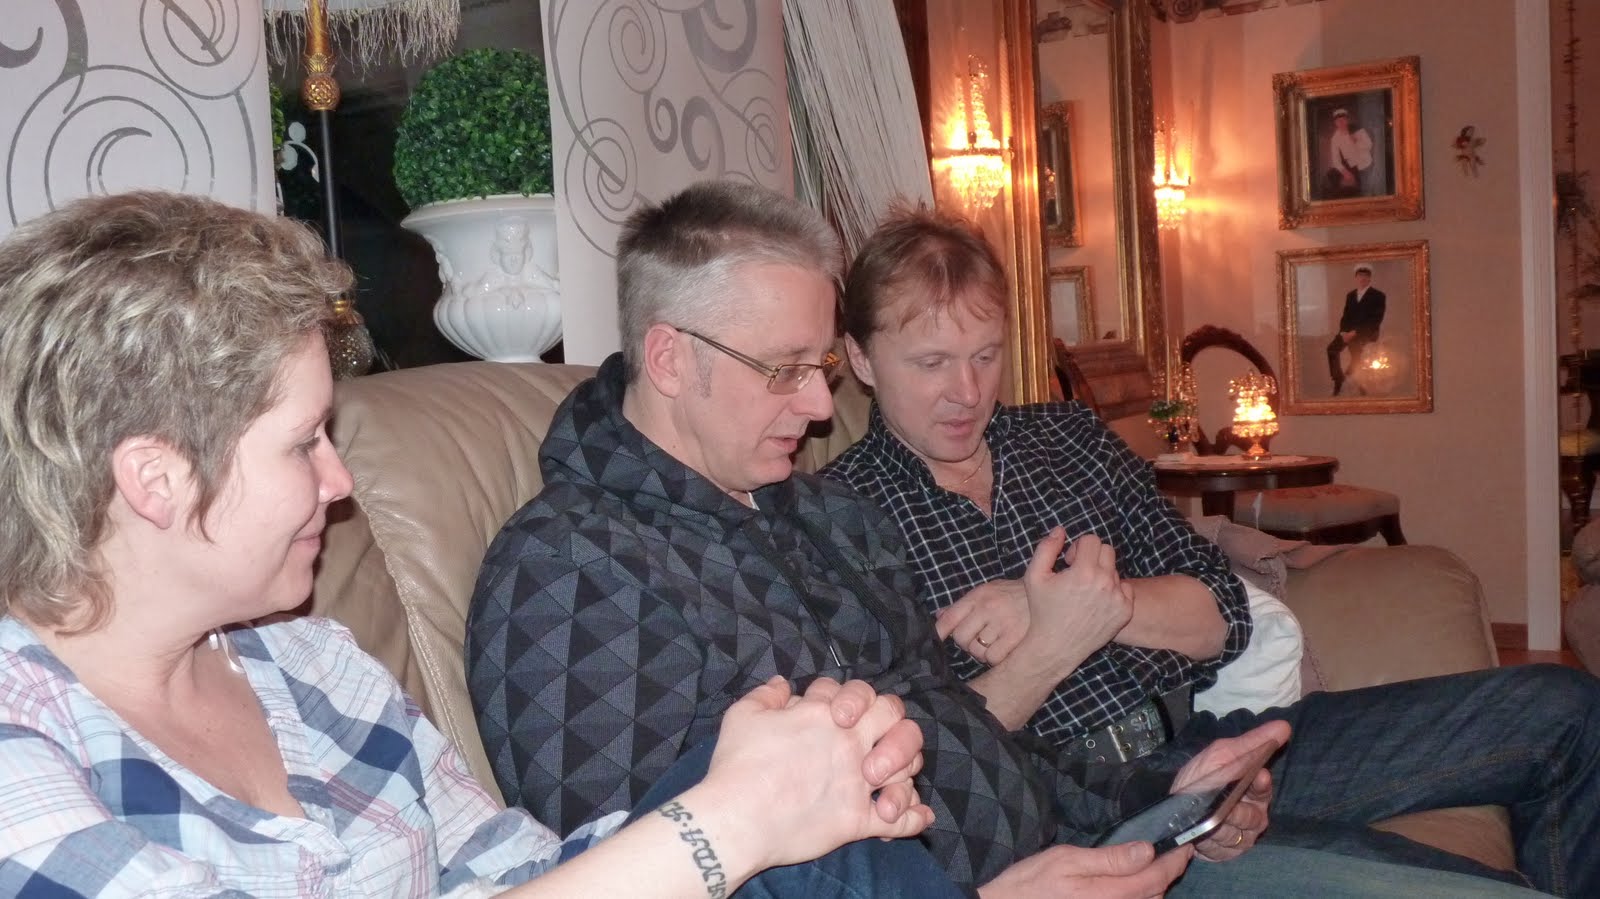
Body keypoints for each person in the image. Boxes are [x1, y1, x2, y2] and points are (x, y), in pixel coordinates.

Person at [465, 179, 1557, 899]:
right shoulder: (569, 570)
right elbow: (652, 868)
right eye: (786, 369)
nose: (818, 405)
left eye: (819, 369)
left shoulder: (817, 517)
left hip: (1091, 841)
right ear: (668, 358)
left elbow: (968, 737)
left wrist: (1166, 793)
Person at [0, 190, 965, 898]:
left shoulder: (316, 670)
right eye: (303, 444)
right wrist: (725, 822)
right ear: (155, 478)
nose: (339, 482)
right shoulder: (22, 749)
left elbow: (512, 867)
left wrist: (769, 776)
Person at [819, 204, 1600, 897]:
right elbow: (919, 763)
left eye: (986, 355)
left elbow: (1220, 613)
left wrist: (1084, 606)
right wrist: (1052, 642)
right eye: (931, 363)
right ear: (859, 356)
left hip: (1204, 742)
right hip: (1085, 813)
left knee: (1566, 711)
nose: (967, 391)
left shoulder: (1065, 438)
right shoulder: (836, 519)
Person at [1325, 262, 1387, 396]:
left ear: (1369, 278)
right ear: (1356, 278)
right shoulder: (1351, 295)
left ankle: (1356, 382)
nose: (1362, 278)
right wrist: (1343, 332)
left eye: (1365, 276)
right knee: (1332, 349)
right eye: (1360, 276)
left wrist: (1355, 332)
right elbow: (1345, 316)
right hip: (1348, 332)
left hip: (1367, 332)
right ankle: (1338, 379)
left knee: (1356, 352)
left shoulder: (1378, 296)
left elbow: (1375, 320)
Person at [1323, 108, 1374, 198]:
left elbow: (1369, 145)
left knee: (1367, 191)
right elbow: (1336, 160)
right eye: (1338, 121)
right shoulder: (1335, 138)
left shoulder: (1357, 129)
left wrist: (1356, 142)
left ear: (1347, 120)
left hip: (1365, 164)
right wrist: (1345, 172)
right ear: (1335, 123)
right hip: (1352, 168)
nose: (1341, 123)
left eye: (1343, 120)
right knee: (1356, 193)